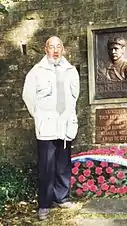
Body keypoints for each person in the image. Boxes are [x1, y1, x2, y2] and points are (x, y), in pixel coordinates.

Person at [22, 36, 80, 220]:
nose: (55, 50)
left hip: (65, 124)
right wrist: (39, 116)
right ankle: (45, 204)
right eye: (51, 47)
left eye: (58, 47)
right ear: (45, 49)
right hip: (46, 125)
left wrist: (67, 115)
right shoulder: (36, 72)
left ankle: (61, 198)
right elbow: (28, 96)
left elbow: (74, 95)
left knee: (63, 164)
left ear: (63, 49)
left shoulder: (70, 70)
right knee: (46, 166)